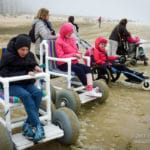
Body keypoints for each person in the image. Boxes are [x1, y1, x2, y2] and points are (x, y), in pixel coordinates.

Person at [0, 34, 44, 143]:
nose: (24, 52)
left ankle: (27, 124)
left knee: (38, 93)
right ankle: (37, 125)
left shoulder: (28, 55)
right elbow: (4, 74)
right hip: (11, 85)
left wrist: (35, 67)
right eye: (22, 49)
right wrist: (24, 73)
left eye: (27, 49)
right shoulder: (8, 56)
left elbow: (31, 63)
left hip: (26, 83)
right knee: (26, 95)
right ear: (17, 48)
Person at [55, 22, 101, 97]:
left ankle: (90, 87)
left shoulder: (72, 39)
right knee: (80, 70)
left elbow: (75, 50)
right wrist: (74, 55)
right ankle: (88, 90)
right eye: (68, 33)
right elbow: (61, 56)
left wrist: (79, 53)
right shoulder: (58, 41)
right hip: (63, 64)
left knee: (87, 68)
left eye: (71, 33)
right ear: (64, 32)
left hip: (73, 62)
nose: (70, 35)